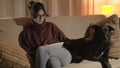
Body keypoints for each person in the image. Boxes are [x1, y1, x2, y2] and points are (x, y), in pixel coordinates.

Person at [19, 1, 71, 68]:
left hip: (63, 54)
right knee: (53, 63)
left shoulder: (51, 26)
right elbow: (28, 53)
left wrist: (84, 41)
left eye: (42, 15)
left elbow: (66, 40)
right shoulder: (27, 33)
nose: (41, 18)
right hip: (48, 58)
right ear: (32, 16)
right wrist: (43, 52)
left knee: (42, 49)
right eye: (38, 16)